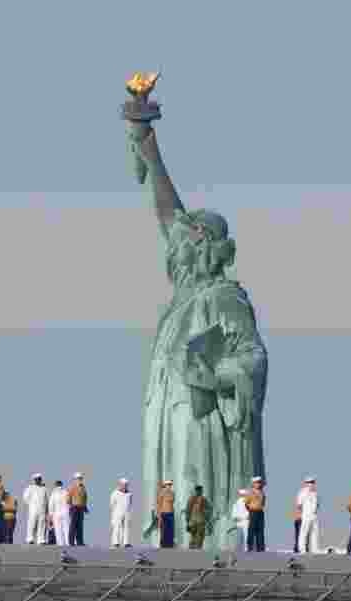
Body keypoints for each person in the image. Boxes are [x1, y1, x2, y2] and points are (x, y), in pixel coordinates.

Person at [129, 119, 269, 554]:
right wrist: (148, 150)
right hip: (167, 409)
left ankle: (207, 536)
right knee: (169, 481)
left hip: (201, 414)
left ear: (208, 245)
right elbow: (168, 215)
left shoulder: (225, 299)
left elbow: (254, 358)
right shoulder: (181, 300)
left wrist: (215, 374)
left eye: (190, 237)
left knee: (195, 481)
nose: (179, 244)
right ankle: (169, 534)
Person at [22, 474, 49, 545]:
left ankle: (41, 539)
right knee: (32, 524)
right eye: (36, 479)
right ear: (34, 480)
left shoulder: (44, 489)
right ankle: (30, 538)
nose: (38, 480)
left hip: (42, 509)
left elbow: (47, 499)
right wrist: (31, 504)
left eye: (39, 479)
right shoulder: (30, 488)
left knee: (42, 524)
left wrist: (47, 509)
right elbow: (25, 498)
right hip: (33, 509)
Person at [297, 477, 320, 554]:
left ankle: (314, 549)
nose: (311, 484)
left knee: (315, 532)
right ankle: (302, 549)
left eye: (312, 482)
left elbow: (317, 504)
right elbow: (299, 505)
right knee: (304, 532)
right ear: (305, 483)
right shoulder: (302, 493)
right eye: (309, 482)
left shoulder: (315, 493)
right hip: (306, 514)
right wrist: (300, 515)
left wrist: (315, 511)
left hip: (314, 515)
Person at [185, 485, 211, 550]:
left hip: (196, 521)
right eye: (200, 491)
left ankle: (193, 549)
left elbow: (188, 510)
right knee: (197, 536)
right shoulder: (201, 499)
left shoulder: (193, 499)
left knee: (195, 536)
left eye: (201, 491)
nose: (201, 492)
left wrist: (187, 521)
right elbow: (188, 510)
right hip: (198, 521)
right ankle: (196, 549)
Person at [110, 478, 133, 548]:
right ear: (120, 484)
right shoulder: (114, 493)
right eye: (123, 484)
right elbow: (112, 504)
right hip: (117, 512)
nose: (124, 486)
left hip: (127, 512)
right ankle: (115, 542)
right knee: (116, 527)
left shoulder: (129, 494)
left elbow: (130, 503)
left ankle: (126, 542)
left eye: (126, 485)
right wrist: (113, 513)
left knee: (126, 527)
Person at [245, 476, 266, 552]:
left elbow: (263, 502)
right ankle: (249, 547)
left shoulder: (262, 492)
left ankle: (260, 548)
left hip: (260, 512)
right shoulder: (250, 492)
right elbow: (246, 503)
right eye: (257, 482)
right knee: (251, 530)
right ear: (253, 484)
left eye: (259, 482)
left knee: (260, 530)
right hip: (253, 511)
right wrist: (251, 509)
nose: (259, 484)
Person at [67, 473, 88, 546]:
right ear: (75, 479)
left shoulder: (83, 487)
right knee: (73, 525)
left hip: (81, 508)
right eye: (78, 478)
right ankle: (71, 542)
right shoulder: (72, 487)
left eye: (81, 478)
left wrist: (85, 507)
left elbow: (85, 497)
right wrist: (71, 506)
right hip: (74, 507)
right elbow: (68, 498)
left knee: (80, 526)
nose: (80, 480)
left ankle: (80, 542)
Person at [48, 480, 69, 547]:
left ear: (55, 485)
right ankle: (68, 542)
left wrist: (50, 515)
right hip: (65, 512)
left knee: (58, 529)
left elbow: (51, 505)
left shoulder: (54, 493)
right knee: (66, 528)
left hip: (56, 513)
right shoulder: (66, 492)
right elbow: (69, 502)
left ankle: (60, 543)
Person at [155, 480, 175, 548]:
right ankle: (163, 544)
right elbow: (159, 504)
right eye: (168, 484)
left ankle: (170, 544)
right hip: (163, 513)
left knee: (170, 530)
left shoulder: (172, 493)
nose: (169, 486)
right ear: (165, 485)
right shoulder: (162, 493)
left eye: (170, 485)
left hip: (171, 513)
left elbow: (172, 503)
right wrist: (159, 515)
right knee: (164, 530)